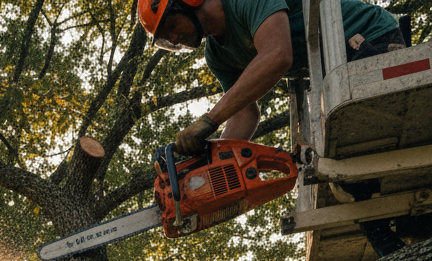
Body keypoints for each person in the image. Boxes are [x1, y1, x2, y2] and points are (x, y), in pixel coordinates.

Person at [139, 0, 404, 156]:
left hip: (368, 40)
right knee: (345, 170)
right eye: (166, 39)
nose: (174, 39)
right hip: (334, 72)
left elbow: (278, 55)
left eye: (171, 27)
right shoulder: (217, 56)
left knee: (355, 148)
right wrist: (215, 159)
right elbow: (244, 112)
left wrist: (208, 121)